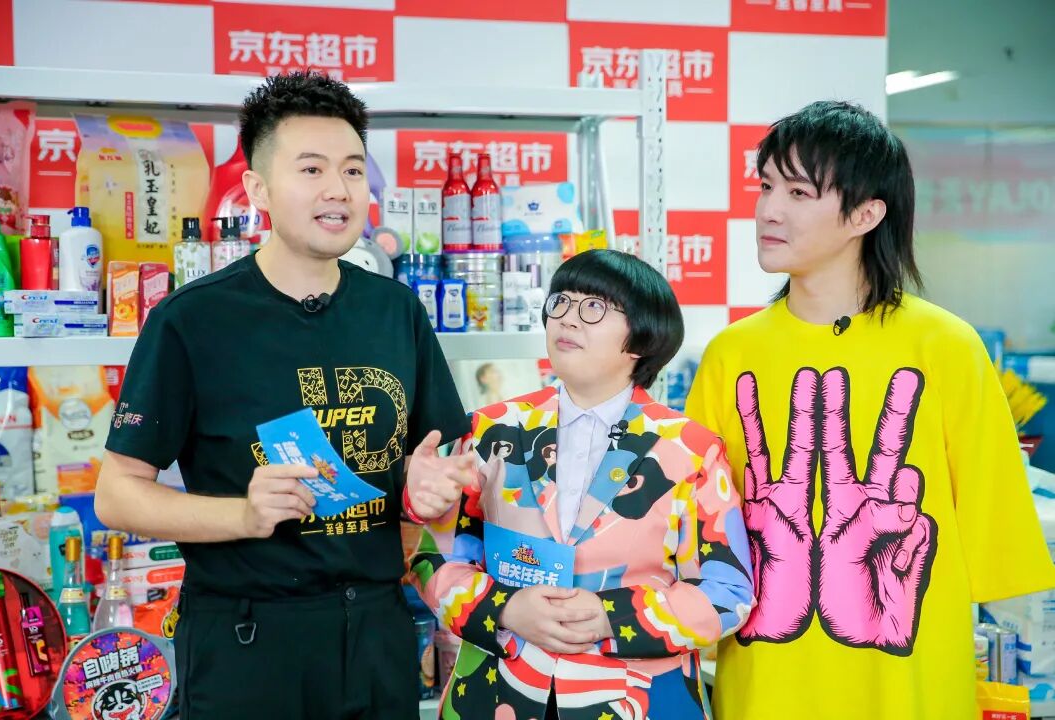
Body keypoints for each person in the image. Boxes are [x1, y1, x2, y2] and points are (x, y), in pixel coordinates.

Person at [95, 72, 475, 719]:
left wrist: (433, 489)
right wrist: (243, 515)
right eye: (312, 169)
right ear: (258, 189)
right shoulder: (192, 320)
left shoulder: (396, 312)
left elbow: (438, 466)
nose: (338, 189)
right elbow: (116, 494)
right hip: (248, 640)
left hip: (378, 632)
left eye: (352, 170)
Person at [685, 100, 1055, 720]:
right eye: (766, 187)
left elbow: (999, 545)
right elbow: (691, 538)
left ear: (866, 214)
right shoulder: (731, 354)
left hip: (908, 689)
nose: (769, 210)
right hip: (763, 686)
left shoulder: (946, 347)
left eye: (799, 193)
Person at [410, 249, 755, 720]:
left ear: (642, 338)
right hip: (494, 695)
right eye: (561, 302)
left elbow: (726, 590)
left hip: (636, 699)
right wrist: (505, 609)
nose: (568, 318)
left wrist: (613, 617)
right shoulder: (489, 430)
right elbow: (434, 558)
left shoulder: (690, 450)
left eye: (593, 307)